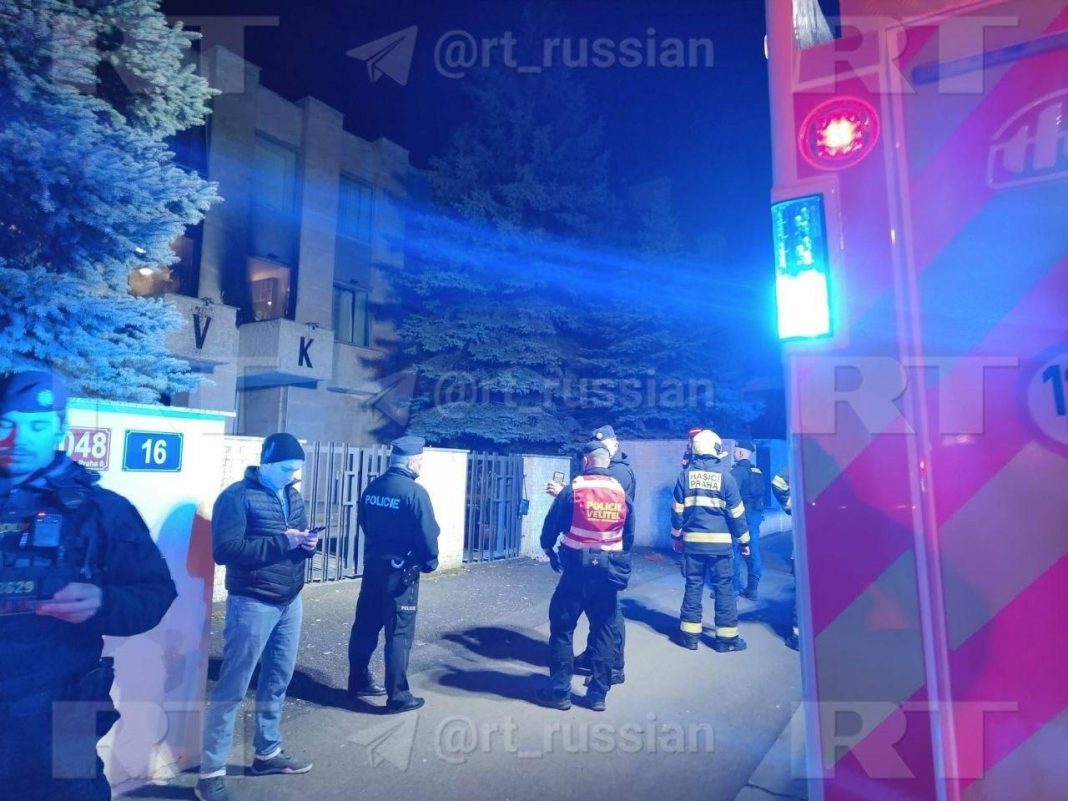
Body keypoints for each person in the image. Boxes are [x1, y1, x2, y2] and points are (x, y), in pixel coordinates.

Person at [0, 369, 177, 801]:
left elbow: (154, 593)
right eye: (5, 424)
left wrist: (103, 600)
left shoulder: (102, 510)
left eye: (37, 426)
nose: (18, 439)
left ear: (60, 428)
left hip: (65, 703)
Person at [196, 433, 317, 801]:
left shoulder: (292, 495)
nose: (292, 476)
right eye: (286, 469)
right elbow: (226, 550)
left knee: (277, 679)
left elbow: (296, 540)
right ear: (265, 462)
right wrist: (287, 542)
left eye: (296, 470)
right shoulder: (235, 497)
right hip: (252, 602)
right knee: (233, 687)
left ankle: (267, 753)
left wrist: (307, 546)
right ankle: (210, 773)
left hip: (289, 599)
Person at [536, 440, 634, 712]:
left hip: (576, 573)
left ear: (587, 461)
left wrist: (548, 549)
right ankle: (597, 695)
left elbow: (551, 526)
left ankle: (559, 692)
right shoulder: (620, 492)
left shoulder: (574, 490)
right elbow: (629, 535)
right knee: (604, 628)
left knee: (562, 629)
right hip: (608, 572)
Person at [347, 436, 440, 714]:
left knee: (365, 625)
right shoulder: (414, 492)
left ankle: (358, 679)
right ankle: (398, 695)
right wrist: (429, 562)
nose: (422, 464)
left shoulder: (374, 487)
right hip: (401, 574)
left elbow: (364, 521)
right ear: (412, 461)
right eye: (421, 459)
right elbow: (427, 534)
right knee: (398, 632)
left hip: (374, 566)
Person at [671, 429, 750, 652]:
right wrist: (745, 542)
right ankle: (726, 640)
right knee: (724, 588)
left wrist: (676, 537)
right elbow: (737, 515)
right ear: (715, 450)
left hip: (693, 544)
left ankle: (689, 637)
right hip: (720, 546)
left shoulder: (684, 476)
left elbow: (677, 512)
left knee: (693, 585)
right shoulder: (727, 478)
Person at [573, 425, 633, 686]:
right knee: (599, 609)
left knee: (609, 612)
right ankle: (595, 657)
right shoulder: (613, 470)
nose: (600, 449)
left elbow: (603, 508)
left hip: (605, 550)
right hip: (602, 550)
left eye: (605, 444)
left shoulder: (618, 472)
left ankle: (612, 666)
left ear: (614, 445)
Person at [730, 439, 765, 600]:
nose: (733, 453)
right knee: (754, 550)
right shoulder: (757, 471)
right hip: (756, 514)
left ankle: (733, 588)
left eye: (735, 451)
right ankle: (752, 589)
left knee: (734, 550)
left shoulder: (737, 472)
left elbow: (731, 495)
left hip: (741, 515)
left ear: (741, 453)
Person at [772, 466, 800, 650]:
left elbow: (778, 482)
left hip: (805, 549)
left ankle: (799, 637)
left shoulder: (805, 465)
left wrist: (790, 504)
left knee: (804, 592)